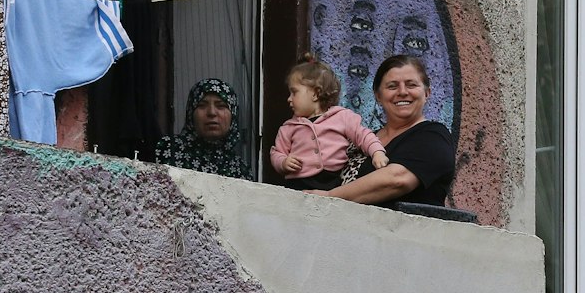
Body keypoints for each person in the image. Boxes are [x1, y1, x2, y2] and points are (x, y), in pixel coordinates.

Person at [313, 54, 456, 207]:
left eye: (411, 85)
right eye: (392, 86)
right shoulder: (363, 140)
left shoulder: (434, 137)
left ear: (427, 93)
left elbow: (397, 180)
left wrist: (329, 197)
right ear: (378, 96)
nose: (402, 92)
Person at [270, 55, 388, 191]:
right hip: (298, 184)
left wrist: (377, 152)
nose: (289, 99)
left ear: (316, 94)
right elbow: (277, 152)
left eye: (294, 92)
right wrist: (283, 162)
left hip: (332, 183)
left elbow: (363, 135)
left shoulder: (342, 117)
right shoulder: (289, 127)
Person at [154, 77, 252, 179]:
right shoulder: (169, 149)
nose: (211, 113)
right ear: (191, 112)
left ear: (233, 114)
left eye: (221, 106)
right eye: (202, 105)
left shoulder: (241, 170)